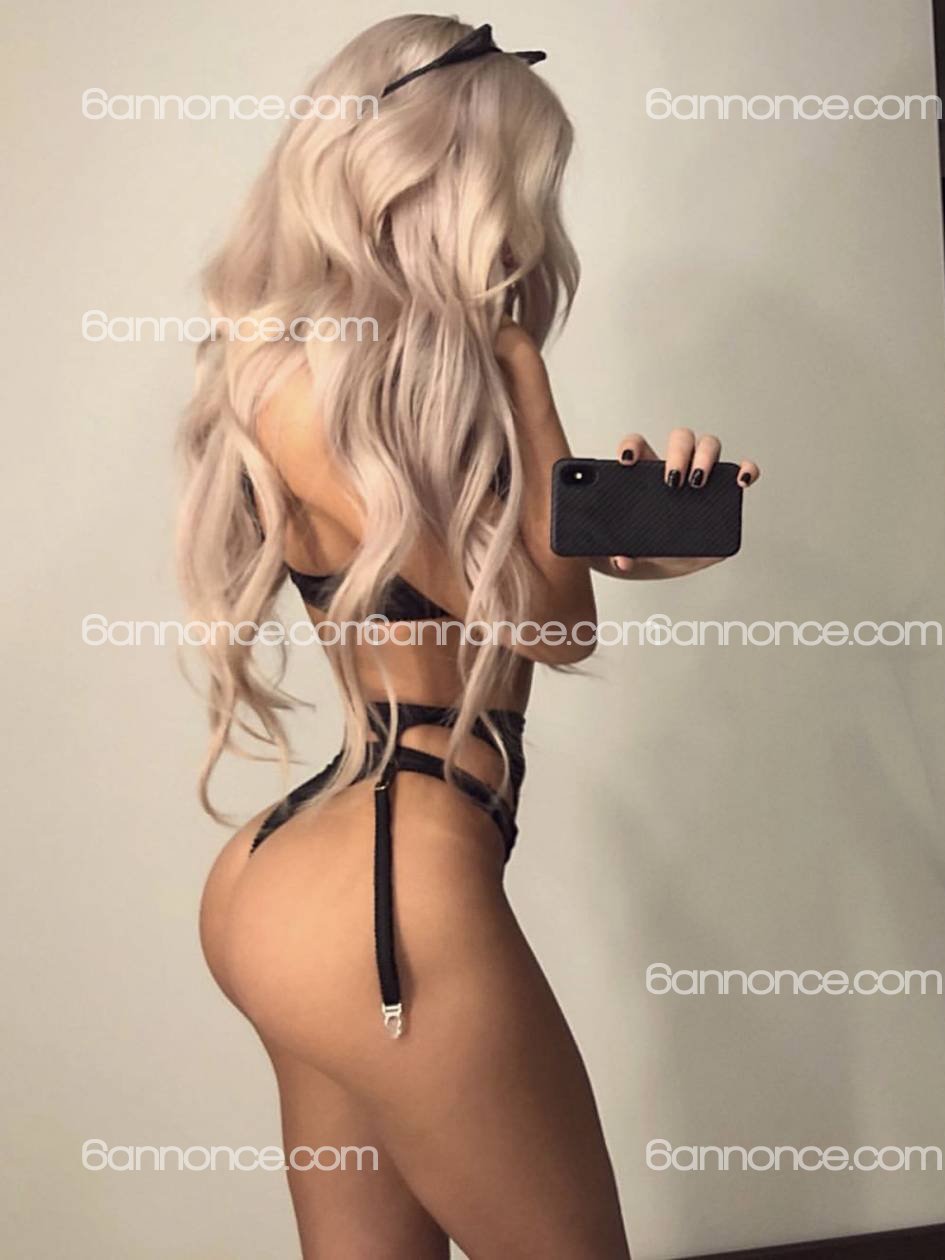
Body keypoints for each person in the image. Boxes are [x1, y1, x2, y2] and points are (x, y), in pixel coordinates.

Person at [180, 16, 760, 1259]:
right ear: (439, 179)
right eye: (519, 187)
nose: (528, 226)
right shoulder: (334, 381)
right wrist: (525, 373)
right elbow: (551, 626)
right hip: (384, 896)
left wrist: (644, 539)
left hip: (317, 875)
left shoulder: (335, 380)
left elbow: (499, 589)